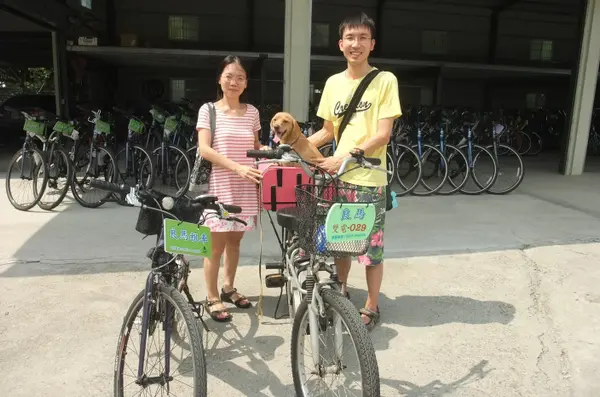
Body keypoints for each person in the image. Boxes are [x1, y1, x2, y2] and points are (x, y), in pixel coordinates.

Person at [308, 12, 402, 330]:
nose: (356, 44)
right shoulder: (333, 83)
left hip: (369, 178)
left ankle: (372, 305)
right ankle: (342, 293)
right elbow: (326, 132)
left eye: (362, 38)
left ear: (372, 44)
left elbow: (382, 134)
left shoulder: (385, 80)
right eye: (350, 38)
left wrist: (344, 155)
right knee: (341, 243)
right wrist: (294, 146)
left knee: (371, 249)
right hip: (339, 179)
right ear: (340, 44)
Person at [196, 55, 269, 322]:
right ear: (220, 79)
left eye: (240, 77)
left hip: (247, 187)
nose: (234, 82)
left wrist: (268, 154)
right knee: (215, 245)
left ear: (246, 82)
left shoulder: (252, 112)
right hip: (220, 187)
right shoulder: (209, 111)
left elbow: (255, 146)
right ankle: (212, 296)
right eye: (229, 76)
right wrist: (237, 167)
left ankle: (228, 288)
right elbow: (205, 149)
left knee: (235, 241)